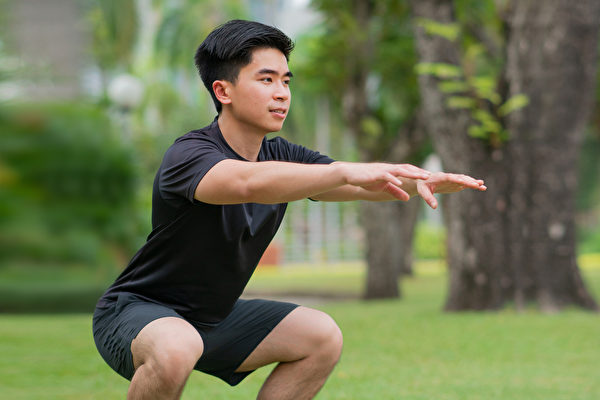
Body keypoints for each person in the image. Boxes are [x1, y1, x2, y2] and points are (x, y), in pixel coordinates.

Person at [92, 19, 486, 400]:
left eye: (285, 81)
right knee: (177, 346)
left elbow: (354, 185)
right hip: (138, 311)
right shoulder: (190, 154)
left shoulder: (284, 156)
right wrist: (342, 169)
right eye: (266, 80)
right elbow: (247, 182)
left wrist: (419, 184)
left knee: (319, 336)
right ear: (223, 91)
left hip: (213, 318)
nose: (281, 93)